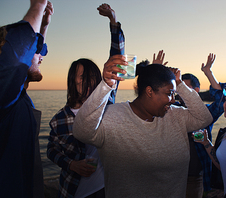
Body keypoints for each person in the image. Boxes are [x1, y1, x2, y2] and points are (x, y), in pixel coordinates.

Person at [72, 54, 214, 197]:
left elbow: (204, 118)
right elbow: (81, 132)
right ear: (149, 91)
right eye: (170, 93)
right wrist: (105, 85)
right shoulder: (113, 117)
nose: (172, 100)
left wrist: (180, 84)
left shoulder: (175, 115)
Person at [47, 4, 124, 198]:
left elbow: (117, 59)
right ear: (73, 81)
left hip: (109, 188)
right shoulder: (59, 120)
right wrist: (71, 164)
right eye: (83, 77)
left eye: (93, 77)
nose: (89, 82)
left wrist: (113, 22)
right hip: (74, 190)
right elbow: (51, 150)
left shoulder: (106, 102)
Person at [0, 1, 53, 197]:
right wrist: (38, 5)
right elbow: (18, 54)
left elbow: (27, 51)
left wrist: (43, 27)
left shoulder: (19, 98)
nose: (42, 56)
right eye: (35, 51)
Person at [174, 53, 226, 198]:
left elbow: (222, 102)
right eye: (177, 87)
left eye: (184, 87)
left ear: (196, 90)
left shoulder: (206, 112)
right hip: (171, 175)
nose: (179, 91)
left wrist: (208, 72)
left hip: (195, 177)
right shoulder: (172, 110)